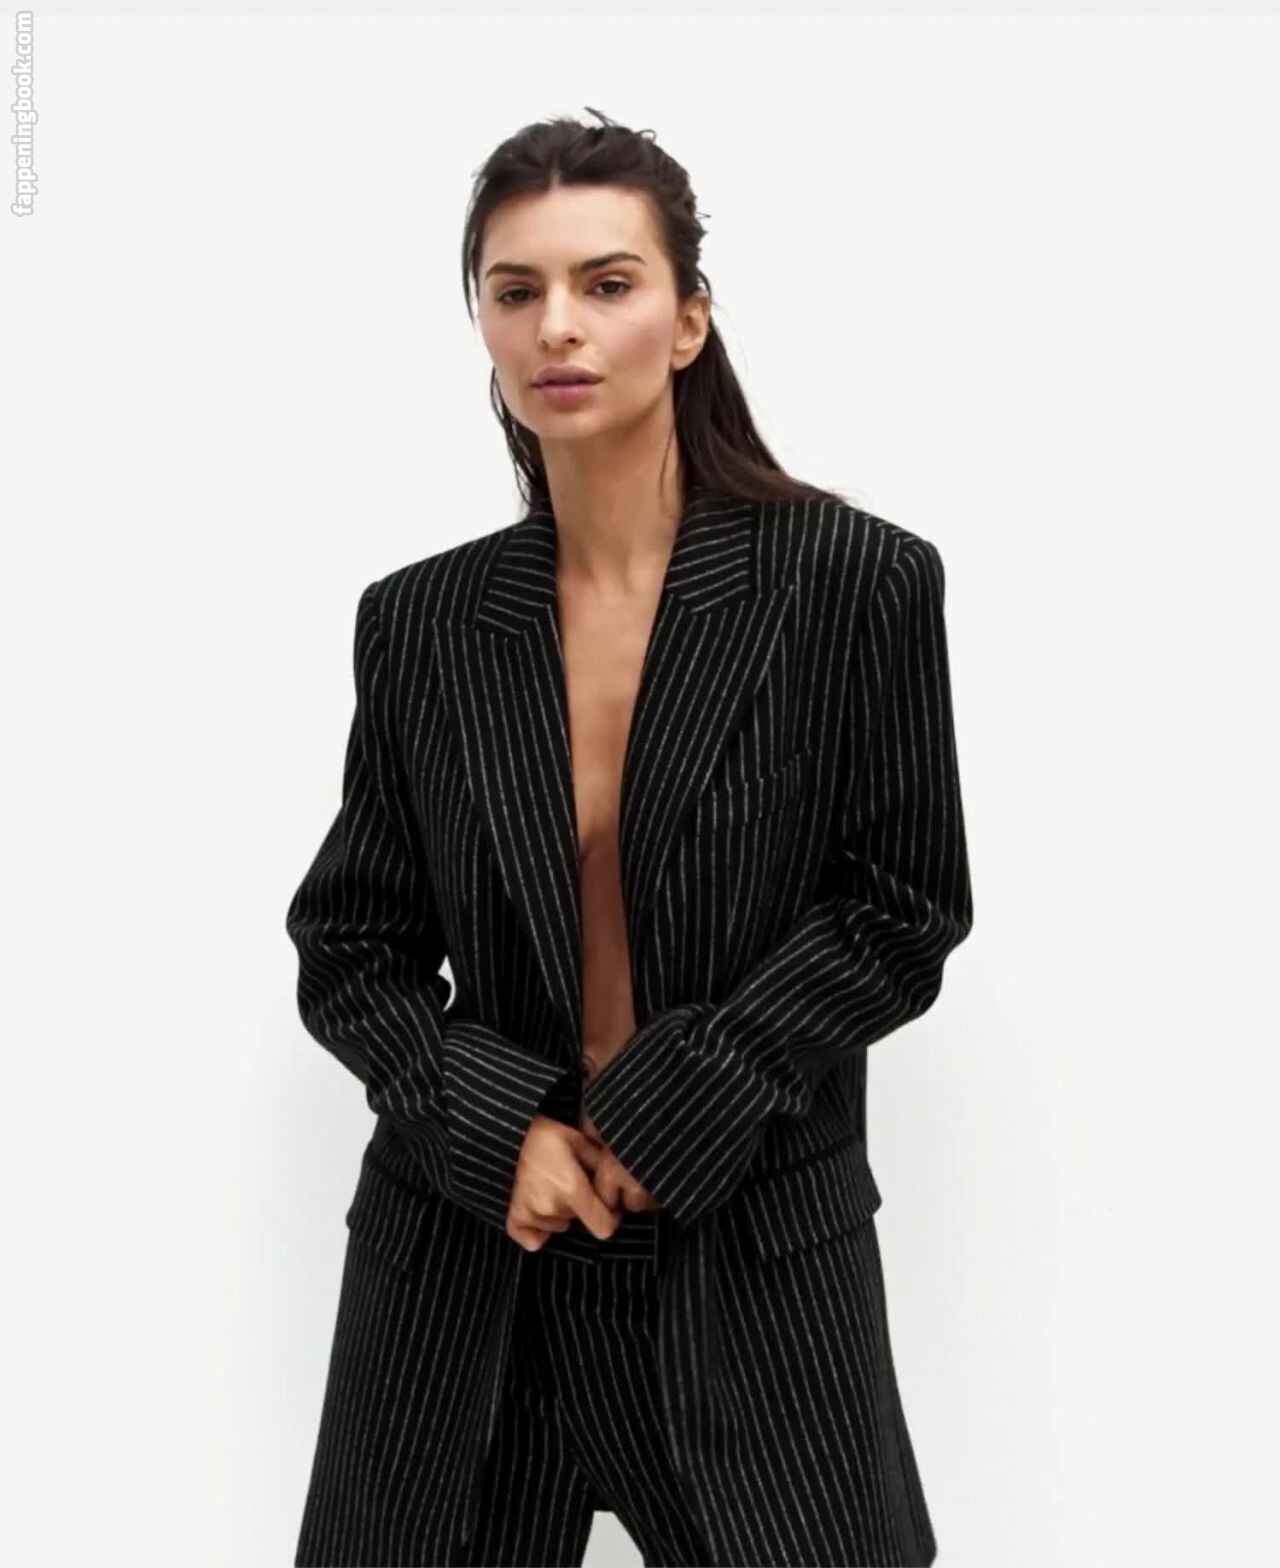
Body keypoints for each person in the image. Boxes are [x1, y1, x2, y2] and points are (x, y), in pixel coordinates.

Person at [285, 106, 973, 1568]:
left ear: (689, 319)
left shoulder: (853, 583)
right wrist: (492, 1132)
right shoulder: (422, 622)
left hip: (748, 1250)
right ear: (481, 324)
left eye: (607, 283)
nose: (559, 326)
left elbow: (902, 907)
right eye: (515, 289)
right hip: (472, 1261)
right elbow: (350, 944)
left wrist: (697, 1094)